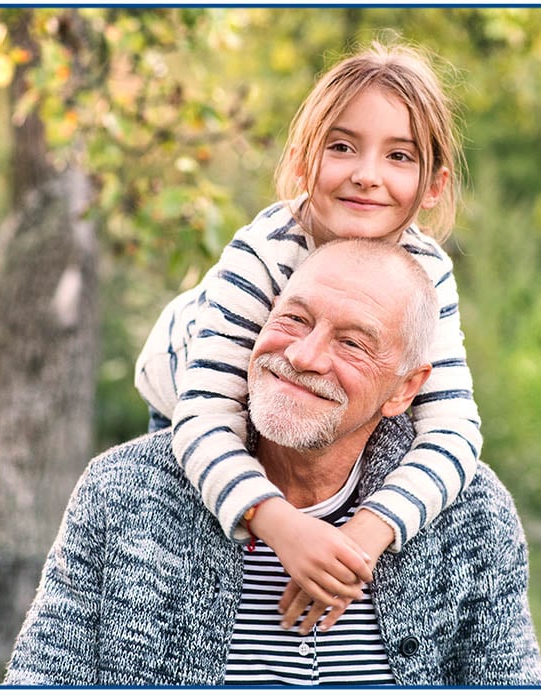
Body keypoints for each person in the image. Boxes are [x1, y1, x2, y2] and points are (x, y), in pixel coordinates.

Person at [3, 239, 541, 686]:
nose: (304, 356)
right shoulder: (124, 490)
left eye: (353, 343)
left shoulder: (472, 514)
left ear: (404, 389)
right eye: (294, 318)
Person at [134, 39, 483, 621]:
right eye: (342, 147)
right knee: (200, 556)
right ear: (302, 161)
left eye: (399, 156)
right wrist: (282, 528)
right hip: (192, 400)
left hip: (319, 426)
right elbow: (205, 417)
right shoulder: (264, 254)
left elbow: (453, 433)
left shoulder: (426, 274)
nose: (367, 176)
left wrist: (366, 535)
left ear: (434, 185)